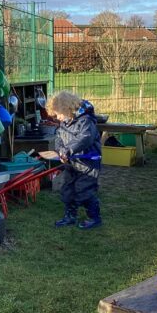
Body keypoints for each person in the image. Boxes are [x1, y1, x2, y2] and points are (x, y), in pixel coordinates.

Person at [46, 91, 102, 229]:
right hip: (72, 164)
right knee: (68, 190)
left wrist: (68, 150)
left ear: (67, 109)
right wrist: (60, 151)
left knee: (84, 191)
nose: (57, 117)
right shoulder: (65, 123)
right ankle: (70, 216)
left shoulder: (86, 121)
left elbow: (84, 138)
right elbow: (59, 138)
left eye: (58, 114)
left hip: (88, 163)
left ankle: (94, 217)